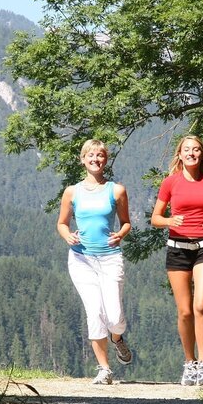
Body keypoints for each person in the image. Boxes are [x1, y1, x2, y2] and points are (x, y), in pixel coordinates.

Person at [150, 135, 203, 386]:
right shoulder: (170, 183)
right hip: (177, 249)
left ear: (202, 154)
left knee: (201, 304)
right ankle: (189, 363)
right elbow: (155, 218)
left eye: (196, 150)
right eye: (187, 150)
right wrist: (170, 221)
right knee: (184, 311)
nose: (191, 153)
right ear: (180, 155)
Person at [57, 139, 133, 385]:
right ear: (82, 159)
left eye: (100, 155)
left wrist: (120, 235)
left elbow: (126, 222)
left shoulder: (116, 190)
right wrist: (67, 234)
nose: (95, 159)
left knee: (114, 316)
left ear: (105, 160)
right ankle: (104, 369)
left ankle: (118, 338)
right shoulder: (72, 191)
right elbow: (62, 223)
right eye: (90, 155)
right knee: (94, 312)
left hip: (110, 258)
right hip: (81, 258)